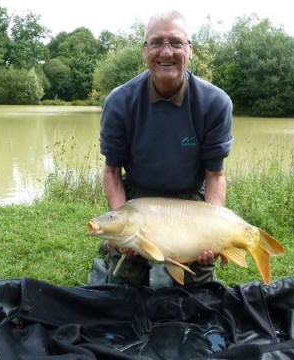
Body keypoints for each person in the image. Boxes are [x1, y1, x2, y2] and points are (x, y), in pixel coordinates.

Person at [96, 9, 233, 288]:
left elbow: (215, 176)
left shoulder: (216, 103)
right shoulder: (120, 102)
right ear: (145, 51)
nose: (166, 52)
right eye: (157, 42)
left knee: (199, 286)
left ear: (190, 49)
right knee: (125, 284)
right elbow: (111, 172)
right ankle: (117, 250)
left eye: (176, 43)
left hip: (190, 203)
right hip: (138, 198)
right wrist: (125, 230)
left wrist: (210, 231)